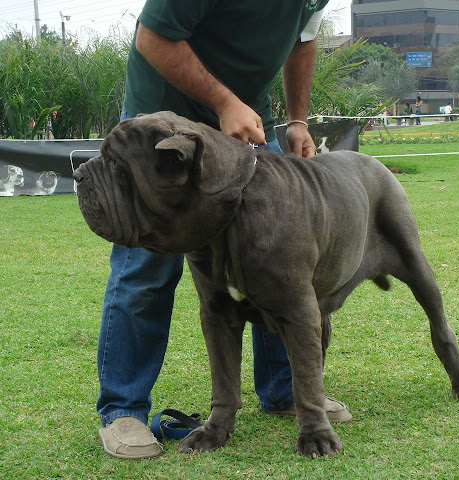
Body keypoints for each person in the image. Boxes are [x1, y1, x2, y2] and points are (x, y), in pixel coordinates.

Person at [96, 0, 352, 461]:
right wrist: (224, 102)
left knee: (277, 255)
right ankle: (124, 411)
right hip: (161, 130)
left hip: (245, 122)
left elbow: (304, 39)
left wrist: (297, 119)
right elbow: (153, 37)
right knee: (147, 269)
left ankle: (284, 392)